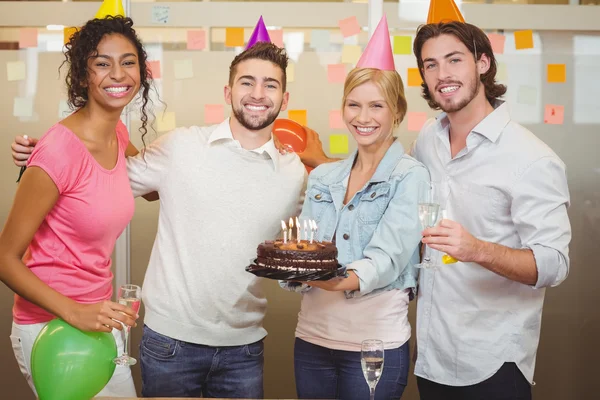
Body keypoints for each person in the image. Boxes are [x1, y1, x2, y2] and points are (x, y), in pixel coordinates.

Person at [10, 39, 309, 398]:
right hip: (168, 343)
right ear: (229, 91)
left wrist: (320, 160)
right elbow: (90, 167)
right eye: (247, 82)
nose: (257, 93)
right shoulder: (181, 147)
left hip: (243, 347)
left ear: (285, 100)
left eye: (270, 85)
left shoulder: (294, 173)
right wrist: (44, 154)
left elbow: (307, 241)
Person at [409, 20, 571, 400]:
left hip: (493, 363)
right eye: (430, 64)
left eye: (454, 60)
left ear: (482, 63)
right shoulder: (428, 139)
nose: (442, 74)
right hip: (431, 356)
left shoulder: (531, 158)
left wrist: (476, 249)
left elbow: (554, 264)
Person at [0, 16, 153, 397]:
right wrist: (74, 311)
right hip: (52, 326)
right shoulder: (60, 149)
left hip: (98, 320)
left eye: (128, 61)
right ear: (83, 76)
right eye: (102, 63)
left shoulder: (117, 133)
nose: (118, 73)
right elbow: (4, 258)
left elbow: (153, 185)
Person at [283, 17, 428, 400]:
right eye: (354, 105)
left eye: (376, 106)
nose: (363, 118)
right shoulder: (323, 177)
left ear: (397, 111)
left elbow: (388, 259)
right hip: (312, 340)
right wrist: (290, 268)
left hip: (375, 344)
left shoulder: (410, 177)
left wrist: (330, 279)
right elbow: (305, 246)